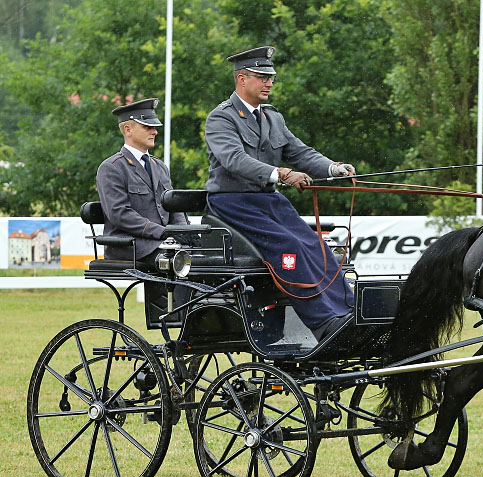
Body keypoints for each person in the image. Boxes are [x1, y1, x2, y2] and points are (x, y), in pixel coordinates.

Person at [204, 46, 356, 342]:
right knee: (292, 247)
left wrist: (333, 168)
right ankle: (324, 323)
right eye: (262, 77)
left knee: (317, 245)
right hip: (231, 203)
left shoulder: (273, 118)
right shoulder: (221, 118)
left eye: (271, 77)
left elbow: (299, 153)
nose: (269, 83)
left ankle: (347, 313)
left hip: (268, 201)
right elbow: (234, 159)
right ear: (241, 79)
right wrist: (283, 174)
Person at [96, 98, 187, 261]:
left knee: (206, 261)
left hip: (163, 243)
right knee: (180, 263)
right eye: (147, 127)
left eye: (154, 127)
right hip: (131, 245)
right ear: (128, 129)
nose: (154, 132)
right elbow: (120, 214)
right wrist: (162, 232)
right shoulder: (112, 168)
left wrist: (183, 233)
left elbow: (174, 206)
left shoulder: (159, 166)